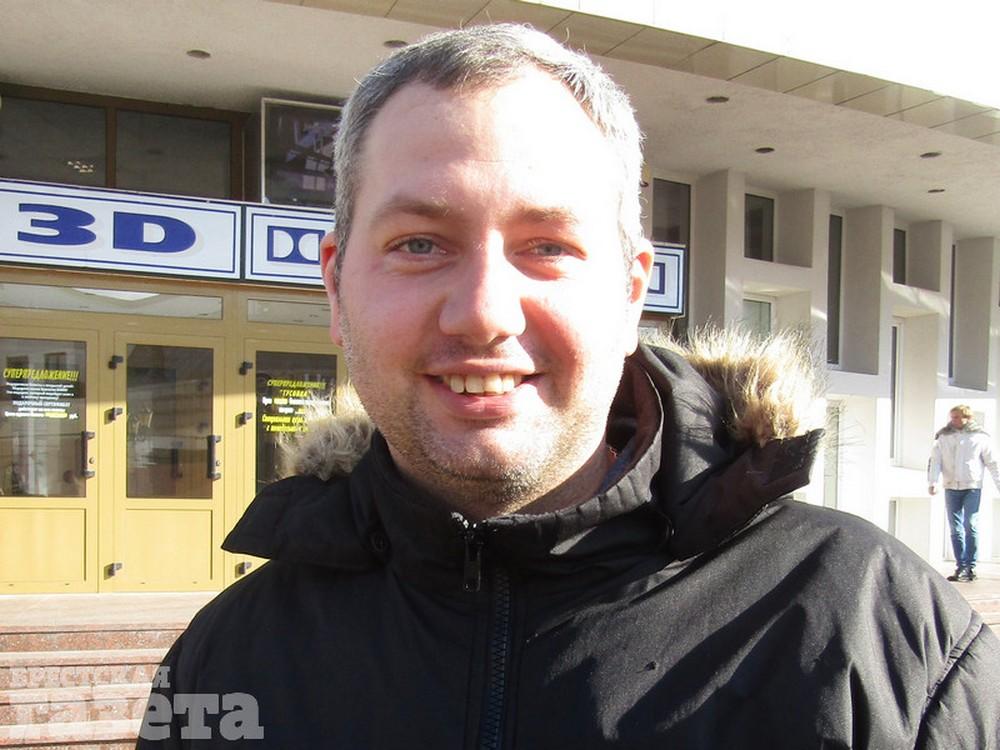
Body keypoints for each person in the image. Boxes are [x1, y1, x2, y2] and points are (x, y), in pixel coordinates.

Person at [138, 24, 1000, 748]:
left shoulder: (879, 631)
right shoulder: (228, 662)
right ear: (335, 287)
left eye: (547, 246)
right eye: (419, 244)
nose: (483, 314)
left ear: (630, 294)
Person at [928, 404, 1000, 582]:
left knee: (971, 524)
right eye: (952, 417)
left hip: (972, 486)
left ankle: (970, 565)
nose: (953, 420)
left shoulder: (979, 437)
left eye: (957, 417)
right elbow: (935, 461)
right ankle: (961, 565)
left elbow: (992, 463)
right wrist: (933, 481)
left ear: (967, 418)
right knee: (955, 527)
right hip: (951, 486)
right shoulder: (943, 437)